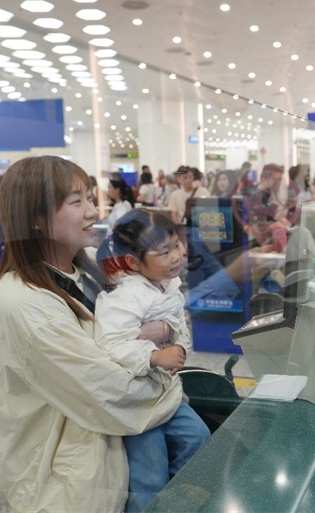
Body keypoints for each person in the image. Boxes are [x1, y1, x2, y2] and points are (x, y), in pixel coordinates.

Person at [0, 156, 182, 512]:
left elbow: (168, 302)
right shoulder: (24, 302)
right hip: (71, 489)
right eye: (77, 202)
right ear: (36, 219)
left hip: (118, 465)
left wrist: (166, 330)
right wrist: (168, 380)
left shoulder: (94, 263)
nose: (93, 211)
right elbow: (111, 395)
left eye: (91, 198)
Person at [95, 208, 210, 512]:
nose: (176, 256)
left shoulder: (167, 284)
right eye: (163, 252)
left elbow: (179, 328)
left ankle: (171, 502)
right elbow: (111, 344)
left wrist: (172, 337)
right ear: (134, 261)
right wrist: (155, 355)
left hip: (164, 394)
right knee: (150, 472)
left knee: (198, 437)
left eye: (176, 245)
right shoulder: (123, 296)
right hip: (136, 405)